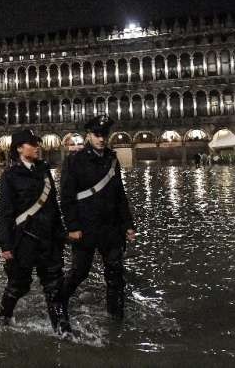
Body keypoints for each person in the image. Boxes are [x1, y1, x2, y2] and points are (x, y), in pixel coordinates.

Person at [60, 115, 137, 320]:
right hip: (86, 227)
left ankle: (116, 318)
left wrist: (128, 224)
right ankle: (59, 301)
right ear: (88, 136)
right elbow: (67, 198)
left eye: (104, 135)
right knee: (80, 271)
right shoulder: (74, 160)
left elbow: (120, 194)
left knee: (115, 273)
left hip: (111, 228)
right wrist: (73, 227)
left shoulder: (112, 160)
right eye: (97, 135)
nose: (101, 139)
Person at [0, 128, 70, 334]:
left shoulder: (44, 171)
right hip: (25, 241)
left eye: (37, 143)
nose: (37, 147)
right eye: (32, 144)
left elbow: (53, 205)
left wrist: (61, 234)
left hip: (49, 240)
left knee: (55, 287)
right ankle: (3, 319)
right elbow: (5, 212)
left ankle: (62, 330)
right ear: (19, 148)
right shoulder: (10, 176)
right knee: (18, 285)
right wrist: (6, 244)